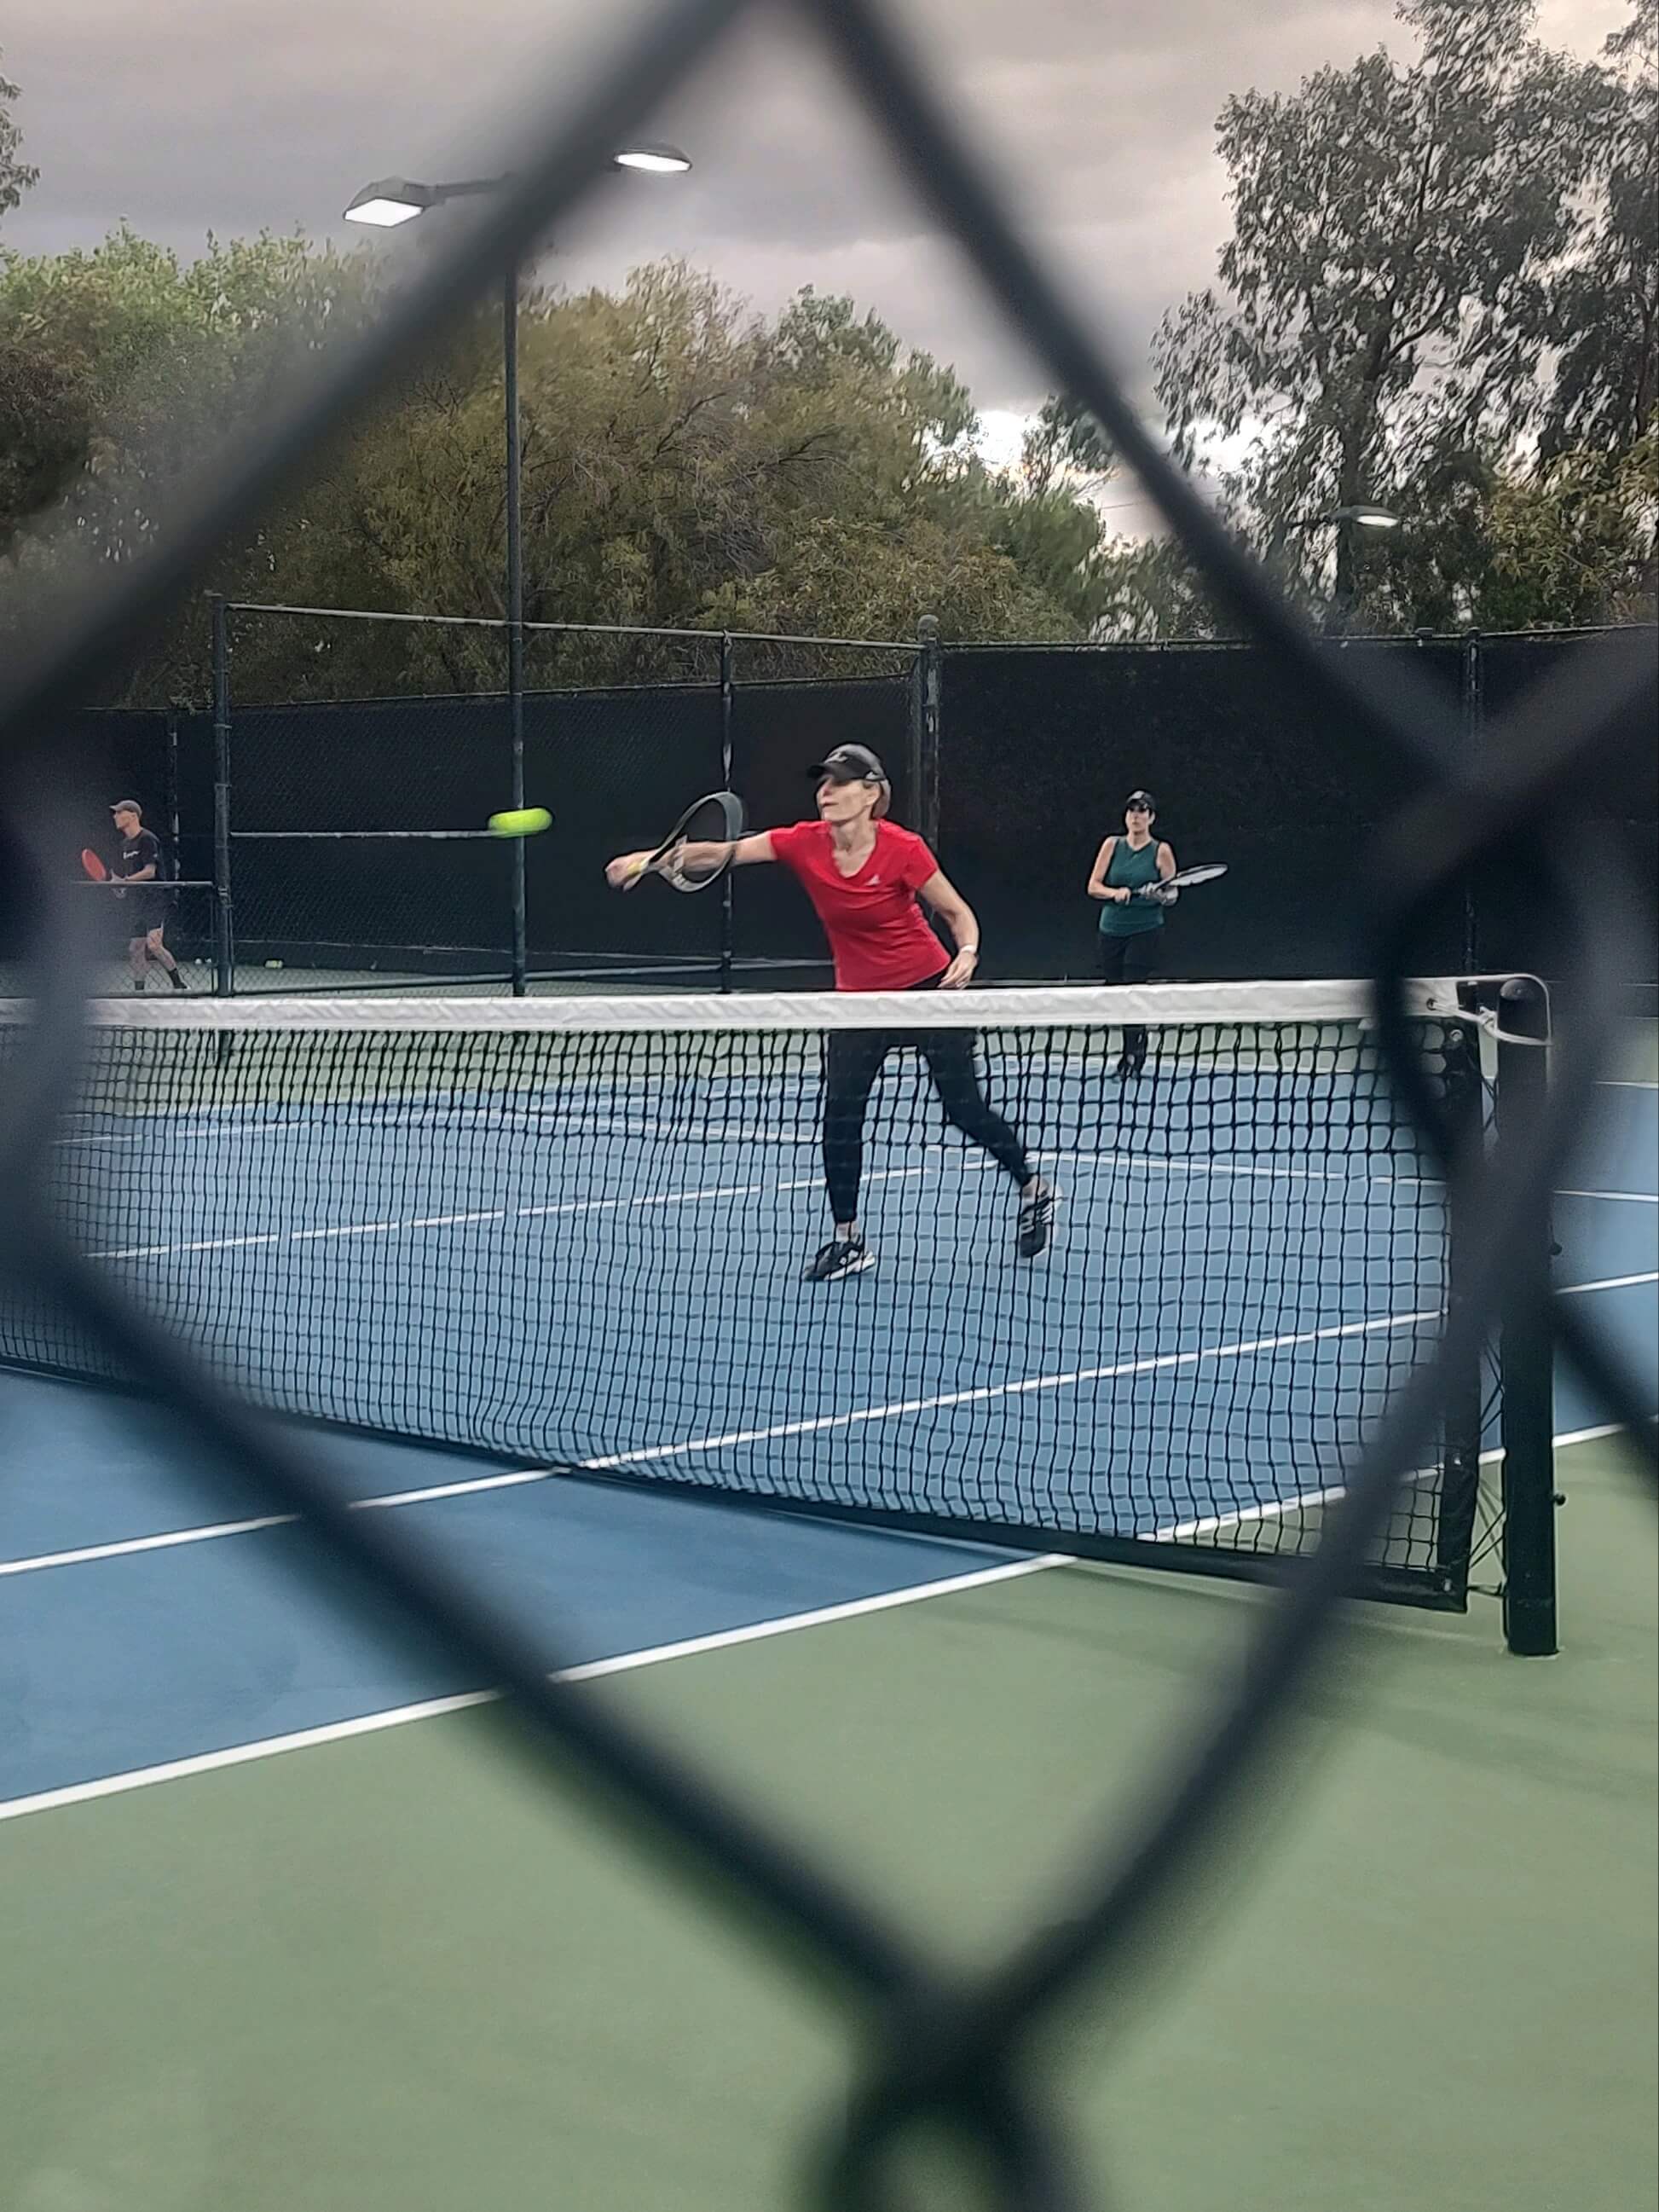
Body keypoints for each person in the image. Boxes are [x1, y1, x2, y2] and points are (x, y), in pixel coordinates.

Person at [605, 744, 1053, 1282]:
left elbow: (958, 914)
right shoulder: (803, 842)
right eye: (823, 783)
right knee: (840, 1117)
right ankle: (848, 1239)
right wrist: (648, 861)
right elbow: (725, 852)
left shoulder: (904, 849)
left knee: (963, 1109)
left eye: (840, 782)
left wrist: (968, 953)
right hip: (857, 1001)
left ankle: (1033, 1188)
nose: (827, 791)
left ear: (871, 794)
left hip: (928, 988)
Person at [1086, 790, 1176, 1078]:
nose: (1136, 816)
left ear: (1151, 817)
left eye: (1142, 811)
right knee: (1117, 990)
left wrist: (1157, 895)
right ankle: (1134, 1045)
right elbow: (1093, 886)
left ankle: (1132, 1054)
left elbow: (1172, 894)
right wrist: (1115, 893)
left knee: (1133, 988)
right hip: (1111, 930)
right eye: (1132, 811)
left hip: (1145, 930)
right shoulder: (1111, 845)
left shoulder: (1161, 851)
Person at [109, 799, 187, 993]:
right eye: (115, 813)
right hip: (137, 901)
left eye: (119, 812)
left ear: (133, 816)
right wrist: (120, 888)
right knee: (135, 948)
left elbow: (149, 871)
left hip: (155, 899)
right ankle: (139, 991)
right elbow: (128, 875)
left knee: (154, 945)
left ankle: (179, 985)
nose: (115, 816)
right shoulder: (125, 844)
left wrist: (126, 881)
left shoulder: (147, 839)